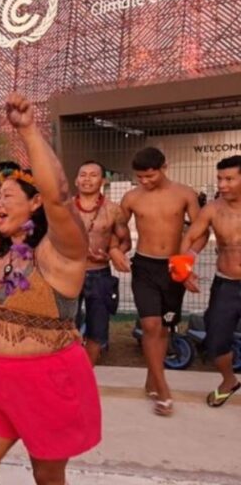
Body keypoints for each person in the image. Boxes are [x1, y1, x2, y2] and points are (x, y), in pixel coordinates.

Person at [0, 94, 100, 485]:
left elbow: (59, 196)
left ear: (35, 203)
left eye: (7, 197)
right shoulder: (6, 254)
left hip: (48, 381)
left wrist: (28, 130)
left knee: (47, 474)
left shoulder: (61, 250)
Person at [120, 146, 200, 416]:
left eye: (150, 176)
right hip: (144, 266)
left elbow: (199, 231)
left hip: (174, 267)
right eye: (140, 177)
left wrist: (186, 263)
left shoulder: (185, 194)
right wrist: (115, 250)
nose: (145, 181)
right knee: (150, 324)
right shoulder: (132, 197)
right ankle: (163, 388)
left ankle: (151, 378)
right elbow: (118, 230)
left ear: (164, 168)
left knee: (164, 328)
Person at [180, 155, 241, 408]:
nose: (222, 185)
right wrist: (183, 270)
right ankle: (229, 380)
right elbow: (191, 237)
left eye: (229, 179)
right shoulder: (213, 209)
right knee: (216, 340)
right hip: (226, 285)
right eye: (220, 179)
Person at [71, 160, 131, 365]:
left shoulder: (113, 210)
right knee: (66, 325)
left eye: (93, 175)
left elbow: (126, 241)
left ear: (103, 181)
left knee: (98, 327)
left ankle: (89, 368)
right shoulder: (65, 208)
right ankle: (69, 367)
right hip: (70, 274)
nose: (87, 179)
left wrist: (112, 254)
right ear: (76, 180)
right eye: (83, 175)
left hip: (99, 274)